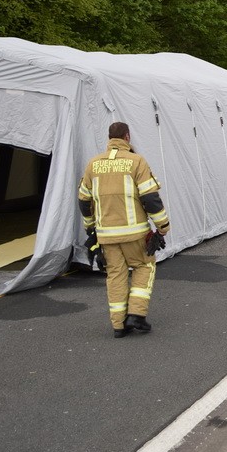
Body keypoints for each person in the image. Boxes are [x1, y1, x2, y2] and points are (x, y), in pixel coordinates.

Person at [78, 122, 170, 338]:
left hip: (106, 236)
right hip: (135, 234)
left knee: (115, 276)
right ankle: (137, 314)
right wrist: (163, 227)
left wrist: (91, 229)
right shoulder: (136, 162)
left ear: (109, 139)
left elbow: (84, 201)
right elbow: (150, 198)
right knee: (144, 266)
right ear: (127, 137)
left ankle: (119, 325)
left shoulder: (93, 164)